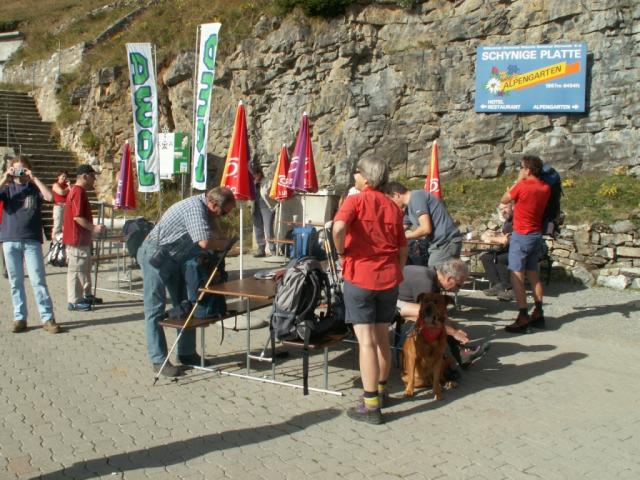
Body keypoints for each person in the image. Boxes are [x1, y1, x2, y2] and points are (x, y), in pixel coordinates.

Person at [333, 158, 407, 425]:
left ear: (366, 177)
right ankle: (383, 391)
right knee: (382, 337)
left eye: (357, 172)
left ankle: (371, 404)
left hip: (360, 276)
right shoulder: (393, 206)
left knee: (365, 342)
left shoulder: (355, 200)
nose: (354, 175)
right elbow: (403, 248)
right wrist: (397, 271)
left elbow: (338, 227)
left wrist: (341, 251)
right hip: (388, 278)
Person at [137, 186, 236, 377]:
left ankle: (187, 353)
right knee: (154, 308)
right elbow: (204, 242)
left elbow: (215, 233)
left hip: (176, 258)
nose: (224, 216)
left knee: (186, 304)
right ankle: (159, 360)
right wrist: (224, 244)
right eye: (223, 212)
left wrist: (221, 239)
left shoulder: (208, 209)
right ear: (213, 204)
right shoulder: (194, 209)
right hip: (155, 257)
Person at [0, 155, 60, 333]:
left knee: (38, 280)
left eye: (23, 169)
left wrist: (34, 178)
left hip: (32, 240)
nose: (19, 173)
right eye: (16, 169)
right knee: (15, 282)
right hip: (10, 239)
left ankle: (47, 318)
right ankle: (19, 318)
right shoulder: (7, 188)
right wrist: (4, 177)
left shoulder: (34, 188)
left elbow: (50, 197)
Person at [397, 259, 488, 368]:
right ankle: (444, 359)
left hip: (398, 299)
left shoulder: (433, 278)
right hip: (388, 303)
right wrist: (454, 333)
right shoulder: (426, 281)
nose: (457, 290)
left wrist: (454, 326)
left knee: (440, 318)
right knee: (429, 318)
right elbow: (428, 315)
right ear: (449, 278)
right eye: (458, 285)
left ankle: (460, 352)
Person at [500, 155, 551, 333]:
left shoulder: (522, 186)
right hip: (536, 235)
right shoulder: (545, 187)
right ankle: (538, 311)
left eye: (521, 168)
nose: (520, 170)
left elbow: (504, 199)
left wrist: (518, 180)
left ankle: (523, 316)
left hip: (521, 235)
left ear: (528, 170)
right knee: (533, 274)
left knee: (516, 276)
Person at [384, 182, 462, 267]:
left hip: (446, 243)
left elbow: (425, 229)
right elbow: (400, 228)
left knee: (435, 270)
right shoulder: (409, 208)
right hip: (438, 244)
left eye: (390, 200)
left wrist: (405, 237)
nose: (391, 204)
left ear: (396, 195)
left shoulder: (417, 197)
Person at [63, 164, 106, 312]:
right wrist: (94, 228)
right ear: (84, 176)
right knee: (76, 270)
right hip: (76, 239)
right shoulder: (78, 192)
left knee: (85, 269)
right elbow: (77, 217)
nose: (94, 179)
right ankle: (74, 300)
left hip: (82, 239)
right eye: (93, 176)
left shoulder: (79, 191)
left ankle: (86, 294)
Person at [480, 202, 513, 300]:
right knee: (486, 257)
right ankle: (497, 285)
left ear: (512, 207)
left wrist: (489, 238)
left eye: (505, 208)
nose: (503, 211)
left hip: (518, 250)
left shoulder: (516, 219)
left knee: (499, 258)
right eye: (501, 209)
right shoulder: (508, 221)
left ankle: (510, 288)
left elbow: (507, 240)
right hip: (508, 248)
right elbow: (504, 236)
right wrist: (495, 235)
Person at [251, 165, 277, 257]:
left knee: (268, 229)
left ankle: (273, 250)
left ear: (259, 174)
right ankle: (261, 249)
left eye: (254, 175)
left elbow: (270, 192)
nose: (253, 177)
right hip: (255, 207)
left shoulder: (267, 181)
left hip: (266, 207)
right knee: (258, 228)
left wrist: (260, 183)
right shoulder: (252, 184)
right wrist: (253, 185)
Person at [51, 170, 69, 241]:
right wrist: (68, 188)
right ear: (58, 176)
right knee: (57, 225)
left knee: (66, 225)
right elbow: (61, 192)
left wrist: (69, 186)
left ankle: (64, 240)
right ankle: (54, 242)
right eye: (63, 176)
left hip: (67, 206)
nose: (64, 178)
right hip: (59, 207)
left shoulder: (67, 186)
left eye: (65, 177)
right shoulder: (55, 185)